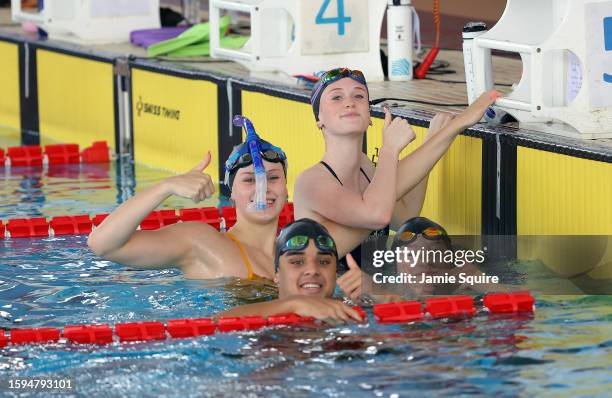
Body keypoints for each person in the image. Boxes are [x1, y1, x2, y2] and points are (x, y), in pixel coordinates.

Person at [294, 67, 500, 270]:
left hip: (373, 292)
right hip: (327, 297)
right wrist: (389, 150)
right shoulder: (311, 183)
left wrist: (434, 140)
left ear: (369, 116)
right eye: (336, 97)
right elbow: (377, 214)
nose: (349, 103)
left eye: (359, 96)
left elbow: (406, 215)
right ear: (319, 119)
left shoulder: (365, 166)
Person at [87, 138, 289, 280]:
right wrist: (165, 187)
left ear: (286, 188)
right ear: (232, 192)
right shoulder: (201, 241)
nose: (263, 188)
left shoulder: (300, 252)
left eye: (273, 178)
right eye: (249, 180)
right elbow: (103, 244)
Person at [218, 218, 364, 323]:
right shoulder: (254, 302)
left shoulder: (351, 306)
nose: (312, 270)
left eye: (324, 262)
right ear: (277, 274)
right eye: (297, 262)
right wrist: (294, 305)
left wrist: (381, 295)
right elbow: (214, 323)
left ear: (336, 273)